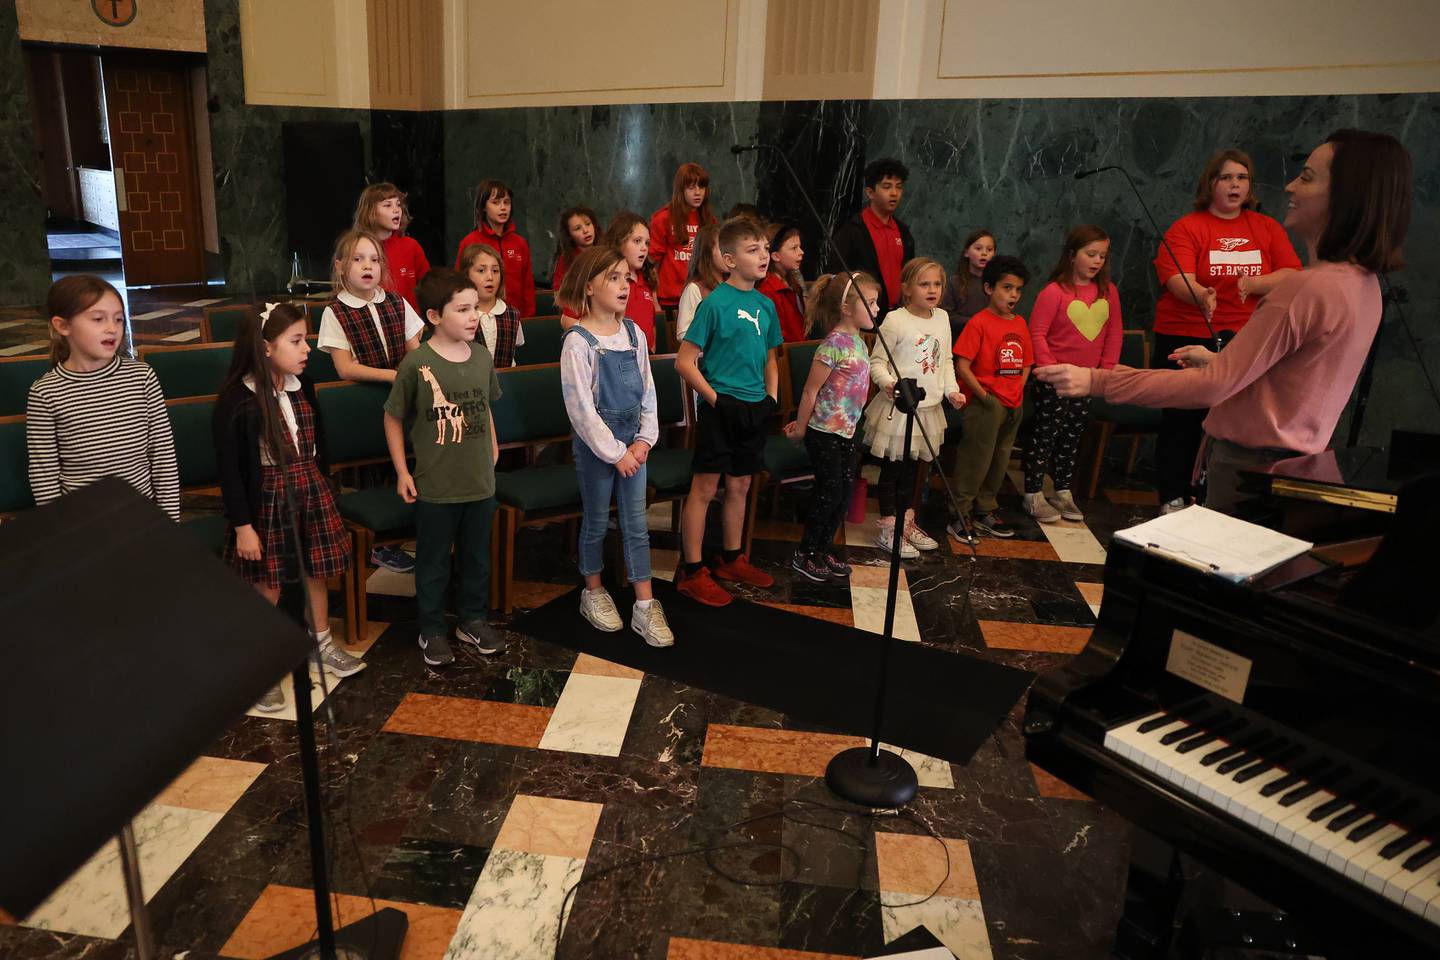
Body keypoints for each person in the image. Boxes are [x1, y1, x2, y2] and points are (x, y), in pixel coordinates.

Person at [1036, 130, 1412, 516]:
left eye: (1308, 177)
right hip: (1292, 461)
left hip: (1251, 467)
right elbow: (1288, 379)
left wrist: (1096, 379)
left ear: (1345, 196)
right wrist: (1219, 359)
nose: (1289, 185)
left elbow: (1212, 388)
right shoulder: (1363, 285)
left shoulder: (1305, 288)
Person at [213, 303, 365, 712]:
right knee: (270, 581)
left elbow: (320, 447)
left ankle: (320, 645)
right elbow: (230, 471)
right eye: (296, 341)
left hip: (310, 489)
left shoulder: (304, 386)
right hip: (267, 498)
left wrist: (328, 490)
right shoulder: (237, 400)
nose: (307, 349)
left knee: (315, 570)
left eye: (306, 339)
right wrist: (244, 525)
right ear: (265, 348)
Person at [1150, 148, 1303, 513]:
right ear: (1211, 184)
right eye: (1226, 178)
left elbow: (1293, 274)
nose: (1235, 185)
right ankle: (1172, 496)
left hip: (1246, 338)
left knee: (1230, 421)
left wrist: (1259, 283)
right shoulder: (1188, 227)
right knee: (1183, 419)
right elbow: (1176, 279)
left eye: (1242, 178)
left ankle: (1211, 498)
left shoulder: (1266, 228)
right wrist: (1200, 293)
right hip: (1187, 331)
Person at [383, 268, 506, 667]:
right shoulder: (417, 364)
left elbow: (485, 406)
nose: (474, 317)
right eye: (463, 310)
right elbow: (393, 417)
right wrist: (403, 471)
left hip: (479, 482)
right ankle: (432, 628)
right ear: (435, 316)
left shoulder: (482, 357)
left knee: (476, 557)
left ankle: (471, 620)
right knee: (434, 561)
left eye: (476, 309)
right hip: (436, 484)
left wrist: (492, 444)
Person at [558, 247, 675, 647]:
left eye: (627, 277)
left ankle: (645, 605)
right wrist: (616, 452)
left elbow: (648, 393)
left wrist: (644, 440)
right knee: (594, 522)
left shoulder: (634, 334)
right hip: (599, 448)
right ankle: (592, 592)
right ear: (589, 287)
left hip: (633, 446)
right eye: (613, 278)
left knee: (637, 523)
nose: (624, 285)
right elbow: (582, 412)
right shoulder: (578, 342)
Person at [674, 217, 781, 606]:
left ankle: (731, 558)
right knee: (705, 487)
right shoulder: (714, 302)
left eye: (767, 249)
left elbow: (771, 360)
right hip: (722, 407)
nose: (764, 256)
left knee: (741, 484)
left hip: (755, 407)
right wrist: (718, 400)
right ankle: (692, 569)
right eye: (753, 250)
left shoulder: (766, 305)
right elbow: (685, 363)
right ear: (728, 259)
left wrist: (770, 398)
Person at [27, 275, 179, 519]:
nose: (112, 328)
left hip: (142, 518)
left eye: (119, 319)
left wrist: (170, 521)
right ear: (63, 326)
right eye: (98, 319)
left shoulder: (142, 377)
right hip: (83, 524)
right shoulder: (46, 392)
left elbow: (163, 456)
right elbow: (44, 474)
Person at [863, 258, 965, 557]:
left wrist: (952, 391)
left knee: (913, 472)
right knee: (893, 471)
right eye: (924, 284)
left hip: (928, 409)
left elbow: (944, 361)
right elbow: (877, 362)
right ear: (906, 289)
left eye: (937, 284)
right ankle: (888, 528)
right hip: (899, 410)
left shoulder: (942, 318)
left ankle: (906, 523)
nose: (932, 290)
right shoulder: (895, 320)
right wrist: (889, 384)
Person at [1021, 226, 1123, 523]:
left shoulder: (1108, 293)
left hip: (1087, 380)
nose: (1096, 261)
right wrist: (1052, 371)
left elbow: (1114, 332)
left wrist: (1105, 371)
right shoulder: (1054, 292)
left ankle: (1063, 490)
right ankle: (1033, 492)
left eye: (1102, 256)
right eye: (1090, 254)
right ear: (1071, 255)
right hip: (1054, 380)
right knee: (1045, 435)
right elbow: (1037, 334)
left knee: (1071, 435)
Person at [783, 272, 877, 581]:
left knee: (844, 493)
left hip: (847, 431)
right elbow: (811, 391)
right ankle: (804, 552)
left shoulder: (860, 342)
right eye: (871, 303)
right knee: (829, 491)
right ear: (847, 308)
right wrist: (800, 427)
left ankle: (822, 549)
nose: (877, 310)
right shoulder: (833, 345)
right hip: (823, 431)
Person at [950, 256, 1033, 542]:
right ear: (988, 288)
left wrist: (1018, 391)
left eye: (1018, 290)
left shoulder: (1020, 323)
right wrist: (985, 396)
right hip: (986, 404)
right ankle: (960, 513)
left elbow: (1026, 363)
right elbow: (962, 364)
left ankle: (985, 509)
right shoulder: (979, 323)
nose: (1013, 295)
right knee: (977, 458)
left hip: (1013, 403)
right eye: (1007, 288)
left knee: (1000, 459)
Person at [317, 228, 424, 384]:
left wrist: (404, 372)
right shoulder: (335, 312)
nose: (368, 266)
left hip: (402, 390)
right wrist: (392, 376)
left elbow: (415, 353)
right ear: (339, 267)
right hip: (364, 392)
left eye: (374, 260)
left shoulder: (397, 302)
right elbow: (344, 368)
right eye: (358, 259)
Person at [831, 158, 915, 310]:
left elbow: (910, 274)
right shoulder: (852, 232)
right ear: (870, 192)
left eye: (899, 187)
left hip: (899, 314)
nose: (894, 193)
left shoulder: (904, 232)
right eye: (887, 187)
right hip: (864, 315)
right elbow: (837, 277)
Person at [453, 180, 536, 319]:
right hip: (478, 317)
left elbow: (527, 286)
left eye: (507, 202)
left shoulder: (519, 243)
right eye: (496, 202)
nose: (503, 208)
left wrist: (529, 317)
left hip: (516, 317)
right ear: (483, 207)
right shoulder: (470, 242)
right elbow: (458, 284)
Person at [650, 163, 718, 311]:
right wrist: (654, 299)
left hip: (701, 297)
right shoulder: (663, 218)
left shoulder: (709, 220)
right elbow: (652, 264)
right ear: (681, 190)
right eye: (691, 187)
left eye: (701, 187)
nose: (698, 192)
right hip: (670, 300)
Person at [354, 182, 430, 312]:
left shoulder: (411, 246)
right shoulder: (356, 248)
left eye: (398, 204)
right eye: (387, 205)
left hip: (411, 326)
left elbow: (429, 287)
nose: (396, 210)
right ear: (370, 211)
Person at [460, 242, 525, 368]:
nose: (490, 277)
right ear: (466, 275)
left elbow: (515, 344)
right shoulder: (459, 315)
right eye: (481, 270)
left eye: (495, 271)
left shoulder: (512, 314)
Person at [605, 212, 659, 349]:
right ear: (619, 242)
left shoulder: (648, 278)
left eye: (647, 243)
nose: (644, 248)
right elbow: (570, 318)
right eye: (637, 241)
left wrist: (651, 348)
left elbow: (652, 322)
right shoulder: (603, 278)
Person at [939, 229, 997, 341]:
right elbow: (945, 315)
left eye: (989, 249)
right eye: (978, 248)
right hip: (961, 340)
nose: (984, 253)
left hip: (990, 341)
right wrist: (974, 323)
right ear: (966, 252)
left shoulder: (997, 284)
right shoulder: (954, 282)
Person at [675, 223, 726, 340]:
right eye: (722, 247)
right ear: (707, 251)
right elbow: (683, 333)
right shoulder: (694, 289)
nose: (728, 253)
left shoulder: (733, 286)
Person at [759, 222, 807, 342]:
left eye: (800, 247)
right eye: (794, 248)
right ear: (775, 256)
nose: (801, 252)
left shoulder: (792, 283)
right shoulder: (769, 291)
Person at [552, 205, 599, 291]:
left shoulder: (606, 253)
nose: (585, 230)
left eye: (588, 224)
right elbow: (558, 292)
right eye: (578, 228)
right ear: (569, 235)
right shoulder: (566, 259)